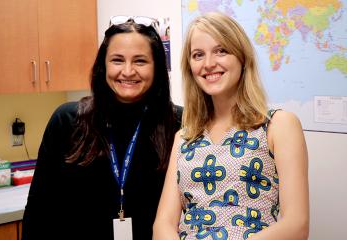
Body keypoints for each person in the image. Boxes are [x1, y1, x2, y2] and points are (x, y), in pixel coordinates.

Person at [22, 15, 182, 240]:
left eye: (140, 61)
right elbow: (39, 212)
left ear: (157, 67)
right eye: (117, 60)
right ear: (103, 65)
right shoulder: (67, 121)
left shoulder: (179, 125)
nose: (127, 71)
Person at [153, 12, 309, 240]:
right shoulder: (184, 137)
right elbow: (162, 226)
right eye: (198, 55)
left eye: (221, 51)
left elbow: (297, 225)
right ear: (190, 67)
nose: (208, 64)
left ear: (242, 57)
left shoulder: (279, 125)